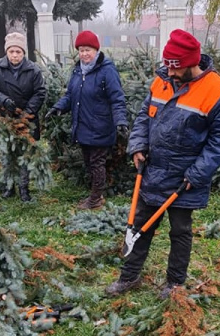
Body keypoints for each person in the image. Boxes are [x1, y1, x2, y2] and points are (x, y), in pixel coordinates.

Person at [104, 29, 220, 299]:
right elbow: (145, 114)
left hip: (185, 177)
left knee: (180, 231)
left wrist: (197, 173)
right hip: (153, 170)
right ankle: (129, 277)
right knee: (140, 225)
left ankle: (174, 284)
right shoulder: (163, 79)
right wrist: (138, 145)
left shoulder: (219, 92)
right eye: (168, 67)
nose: (171, 74)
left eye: (176, 69)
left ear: (192, 63)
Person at [45, 30, 129, 210]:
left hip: (100, 126)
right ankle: (95, 193)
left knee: (97, 163)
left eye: (88, 50)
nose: (84, 54)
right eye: (81, 50)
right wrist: (58, 107)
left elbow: (117, 98)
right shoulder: (77, 71)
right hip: (82, 126)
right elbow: (70, 95)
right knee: (89, 162)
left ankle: (96, 199)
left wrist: (121, 121)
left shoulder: (107, 70)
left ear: (96, 50)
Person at [0, 32, 46, 202]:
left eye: (18, 51)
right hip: (4, 117)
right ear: (7, 52)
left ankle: (24, 188)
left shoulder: (33, 69)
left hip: (27, 118)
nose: (15, 55)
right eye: (11, 51)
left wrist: (27, 113)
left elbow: (40, 92)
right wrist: (4, 101)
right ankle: (8, 186)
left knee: (24, 153)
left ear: (23, 52)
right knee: (6, 153)